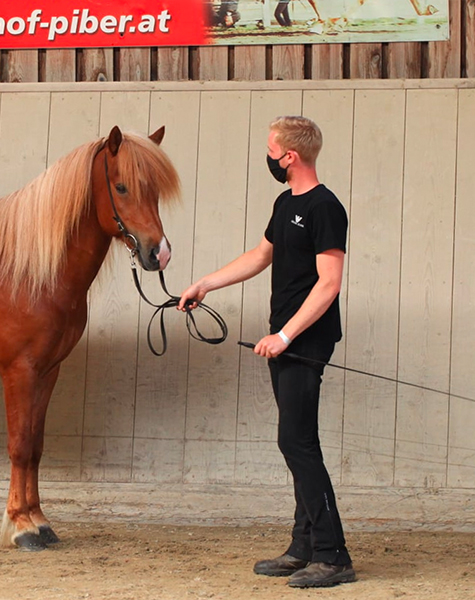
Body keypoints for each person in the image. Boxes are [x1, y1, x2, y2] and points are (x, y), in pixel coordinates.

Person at [178, 116, 355, 589]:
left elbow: (329, 284)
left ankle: (333, 555)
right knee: (297, 441)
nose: (269, 158)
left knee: (296, 443)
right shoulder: (284, 203)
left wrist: (287, 336)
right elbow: (260, 256)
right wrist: (205, 284)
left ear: (290, 157)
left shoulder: (325, 208)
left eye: (272, 150)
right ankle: (303, 546)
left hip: (306, 339)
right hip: (286, 338)